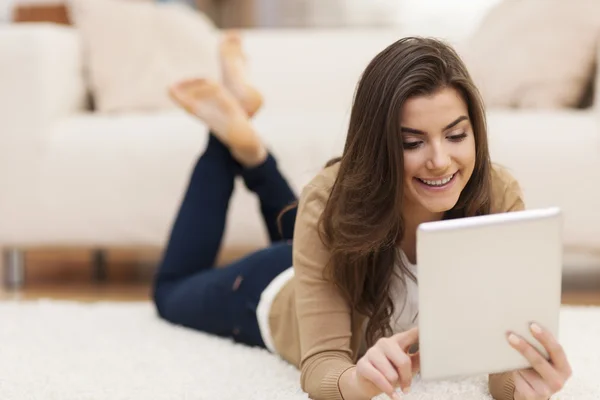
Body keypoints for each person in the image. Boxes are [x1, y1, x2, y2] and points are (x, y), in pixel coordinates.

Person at [152, 32, 572, 400]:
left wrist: (525, 386)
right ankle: (223, 140)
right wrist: (358, 382)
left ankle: (253, 149)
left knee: (307, 217)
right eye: (412, 142)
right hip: (274, 288)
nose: (441, 161)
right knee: (170, 293)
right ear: (378, 148)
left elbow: (503, 368)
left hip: (332, 244)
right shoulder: (328, 205)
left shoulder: (497, 196)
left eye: (457, 135)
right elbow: (321, 366)